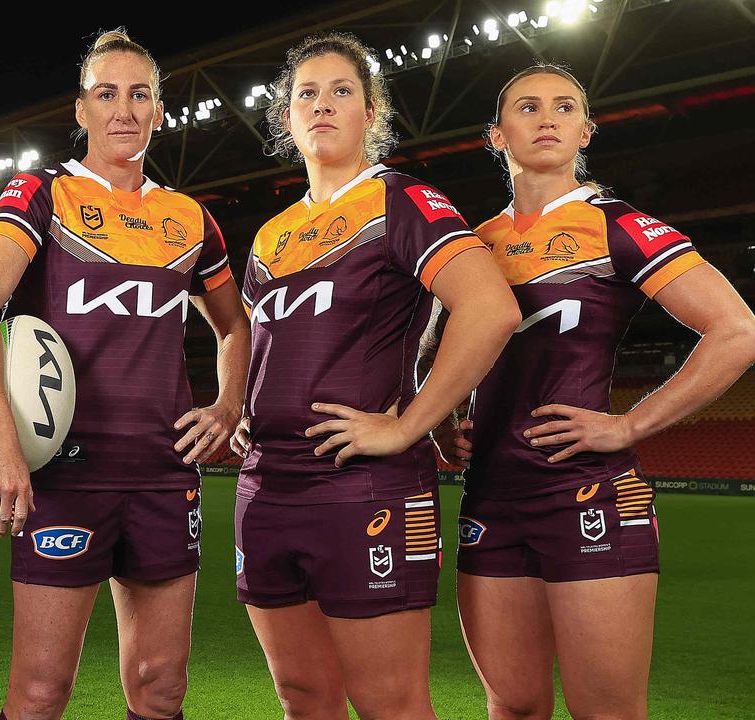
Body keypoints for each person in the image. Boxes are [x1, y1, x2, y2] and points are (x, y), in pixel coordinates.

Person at [0, 28, 250, 720]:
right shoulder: (41, 195)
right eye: (106, 93)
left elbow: (235, 324)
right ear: (79, 111)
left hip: (163, 473)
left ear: (160, 111)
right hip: (64, 475)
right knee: (41, 691)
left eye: (140, 94)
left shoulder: (189, 217)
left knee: (162, 687)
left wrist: (228, 404)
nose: (124, 109)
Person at [438, 64, 755, 720]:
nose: (546, 117)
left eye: (564, 107)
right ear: (496, 136)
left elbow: (737, 330)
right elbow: (431, 352)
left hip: (587, 494)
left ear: (586, 131)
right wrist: (441, 418)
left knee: (606, 711)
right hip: (489, 499)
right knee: (514, 706)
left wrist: (629, 425)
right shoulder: (469, 245)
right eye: (527, 107)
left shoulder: (618, 226)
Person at [227, 33, 519, 720]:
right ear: (286, 118)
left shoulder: (401, 199)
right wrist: (235, 405)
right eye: (307, 93)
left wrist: (408, 426)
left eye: (341, 91)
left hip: (364, 487)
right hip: (265, 489)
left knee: (389, 703)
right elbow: (253, 342)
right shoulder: (271, 235)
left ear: (370, 111)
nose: (322, 104)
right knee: (302, 697)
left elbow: (489, 309)